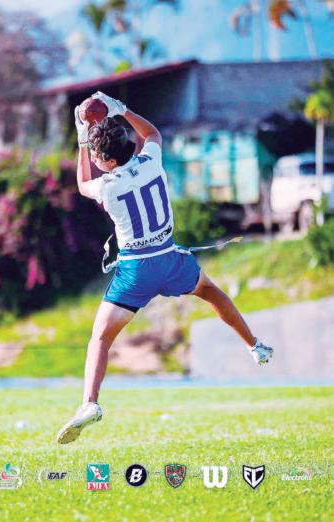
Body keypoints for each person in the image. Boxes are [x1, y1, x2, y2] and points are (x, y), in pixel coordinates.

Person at [57, 92, 273, 445]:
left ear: (108, 161)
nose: (94, 160)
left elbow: (82, 185)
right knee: (211, 292)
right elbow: (152, 133)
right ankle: (255, 345)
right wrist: (122, 109)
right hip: (169, 260)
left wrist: (82, 139)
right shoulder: (150, 162)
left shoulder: (107, 186)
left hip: (135, 271)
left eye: (97, 156)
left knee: (101, 338)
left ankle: (90, 403)